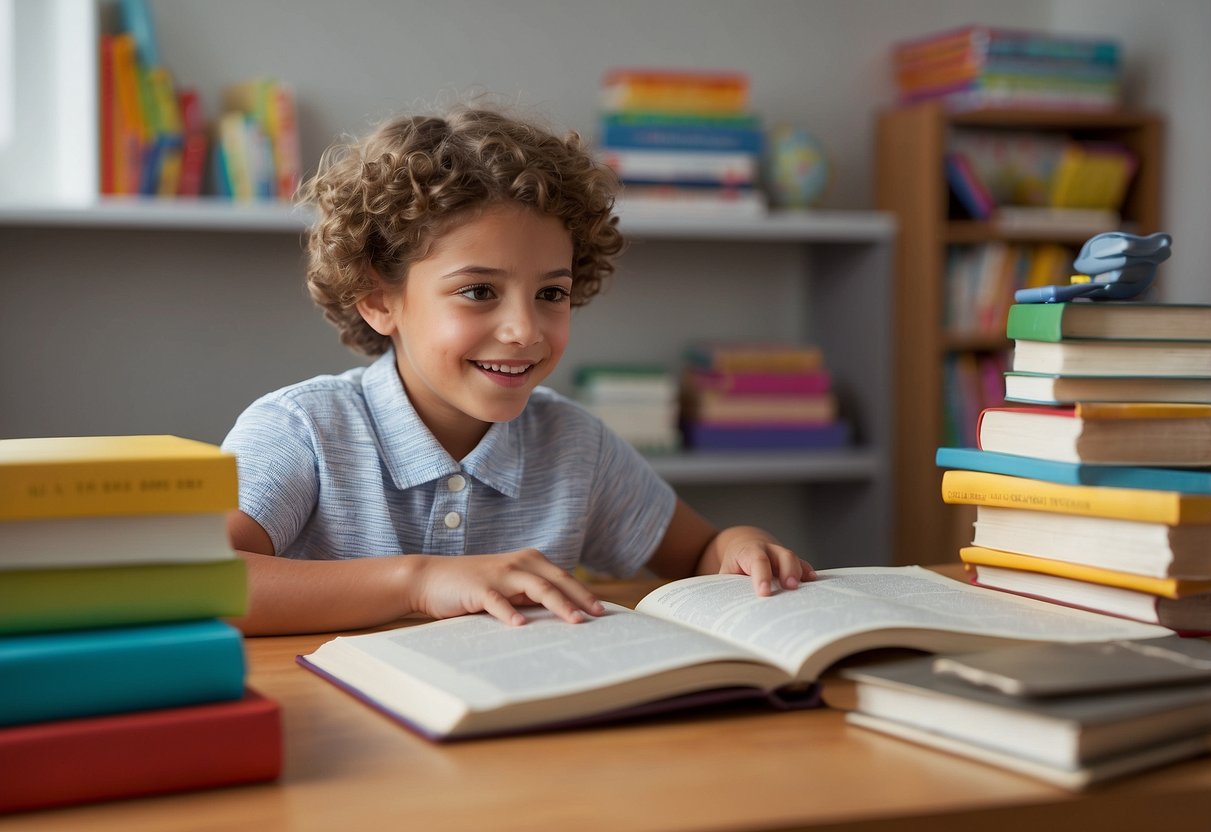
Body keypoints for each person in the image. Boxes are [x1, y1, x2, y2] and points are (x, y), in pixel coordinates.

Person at [222, 105, 815, 635]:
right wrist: (419, 582)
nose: (525, 330)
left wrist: (740, 546)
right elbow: (196, 584)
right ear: (380, 300)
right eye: (479, 290)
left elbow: (698, 552)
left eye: (551, 295)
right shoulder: (301, 429)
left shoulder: (575, 446)